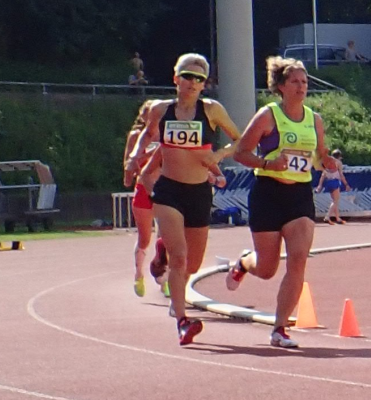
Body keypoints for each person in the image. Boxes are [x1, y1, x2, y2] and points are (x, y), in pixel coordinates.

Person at [127, 53, 240, 345]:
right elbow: (147, 134)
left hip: (199, 192)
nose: (192, 83)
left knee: (192, 263)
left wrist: (218, 155)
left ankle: (176, 293)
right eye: (187, 76)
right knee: (179, 257)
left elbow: (240, 139)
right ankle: (182, 320)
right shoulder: (161, 110)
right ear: (176, 78)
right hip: (169, 191)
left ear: (205, 85)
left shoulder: (212, 110)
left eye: (199, 79)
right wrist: (134, 155)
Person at [226, 57, 332, 349]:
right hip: (268, 194)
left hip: (299, 196)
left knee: (298, 259)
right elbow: (240, 153)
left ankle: (280, 328)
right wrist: (267, 163)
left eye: (305, 82)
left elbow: (320, 156)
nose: (301, 87)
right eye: (295, 82)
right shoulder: (267, 116)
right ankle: (246, 262)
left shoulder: (315, 120)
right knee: (268, 268)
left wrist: (328, 161)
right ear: (281, 87)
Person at [123, 100, 166, 298]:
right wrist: (153, 153)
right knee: (145, 237)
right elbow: (129, 166)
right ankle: (138, 274)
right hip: (144, 189)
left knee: (165, 237)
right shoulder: (136, 136)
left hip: (165, 189)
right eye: (151, 113)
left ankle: (164, 276)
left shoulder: (167, 134)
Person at [318, 148, 351, 224]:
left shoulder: (327, 162)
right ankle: (327, 216)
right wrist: (346, 184)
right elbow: (341, 174)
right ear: (339, 156)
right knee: (335, 201)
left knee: (335, 200)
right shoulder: (338, 162)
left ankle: (337, 218)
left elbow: (323, 174)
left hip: (328, 181)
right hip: (335, 181)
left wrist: (320, 185)